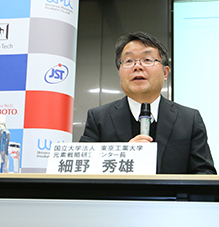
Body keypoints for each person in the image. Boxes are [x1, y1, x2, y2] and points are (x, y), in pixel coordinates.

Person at [80, 31, 216, 174]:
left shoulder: (189, 119)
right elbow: (82, 170)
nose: (137, 66)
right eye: (128, 61)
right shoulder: (99, 118)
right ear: (120, 72)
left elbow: (205, 174)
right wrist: (123, 156)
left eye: (147, 60)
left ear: (165, 73)